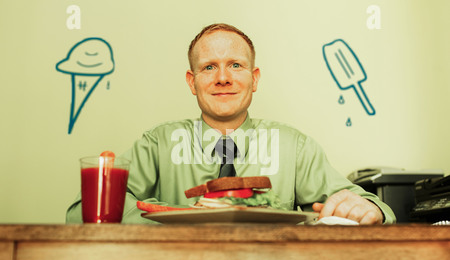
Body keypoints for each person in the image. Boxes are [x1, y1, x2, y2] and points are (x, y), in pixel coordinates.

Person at [66, 23, 396, 225]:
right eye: (209, 67)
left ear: (254, 80)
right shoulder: (158, 143)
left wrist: (369, 209)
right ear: (191, 82)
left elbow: (367, 205)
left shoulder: (295, 147)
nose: (223, 78)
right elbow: (83, 213)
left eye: (235, 65)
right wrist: (180, 220)